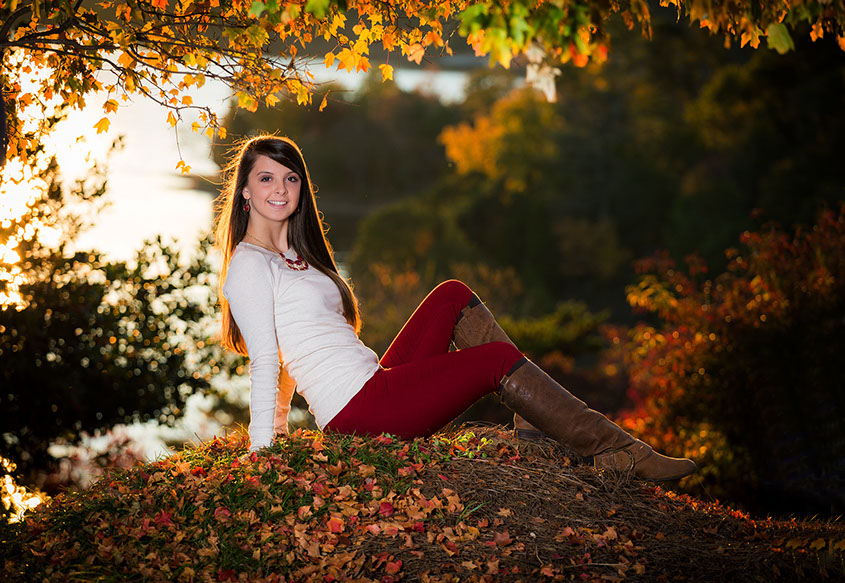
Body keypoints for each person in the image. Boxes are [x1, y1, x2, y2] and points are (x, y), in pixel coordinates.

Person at [215, 135, 695, 481]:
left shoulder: (296, 257)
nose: (279, 188)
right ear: (245, 191)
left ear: (300, 188)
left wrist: (282, 424)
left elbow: (290, 356)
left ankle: (533, 427)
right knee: (495, 363)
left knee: (451, 295)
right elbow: (264, 359)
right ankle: (617, 450)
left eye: (290, 177)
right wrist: (265, 451)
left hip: (372, 383)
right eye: (265, 178)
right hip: (360, 412)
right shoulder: (250, 265)